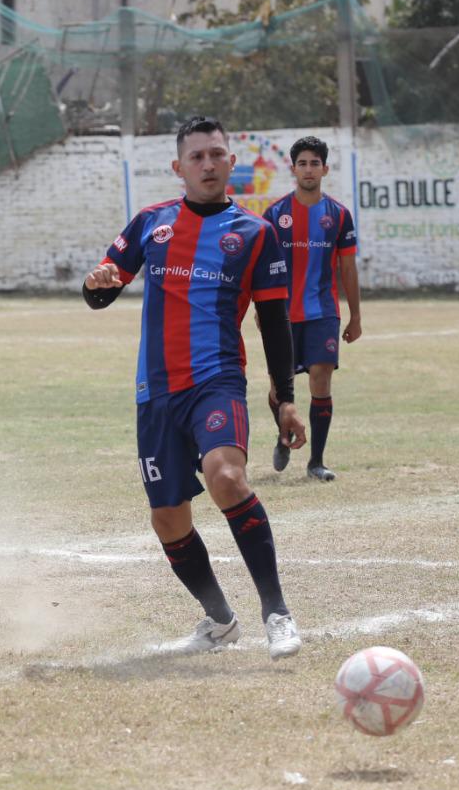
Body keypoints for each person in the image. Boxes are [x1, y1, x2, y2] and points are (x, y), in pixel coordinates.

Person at [83, 115, 306, 660]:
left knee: (227, 476)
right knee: (168, 519)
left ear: (231, 162)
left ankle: (276, 612)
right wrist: (97, 285)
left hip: (217, 381)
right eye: (197, 156)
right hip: (155, 392)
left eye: (217, 154)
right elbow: (102, 289)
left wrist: (286, 397)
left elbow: (274, 323)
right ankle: (220, 620)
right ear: (178, 167)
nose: (207, 164)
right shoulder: (151, 223)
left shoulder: (256, 234)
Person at [261, 135, 361, 482]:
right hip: (282, 315)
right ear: (293, 169)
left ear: (325, 169)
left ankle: (316, 461)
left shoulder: (339, 215)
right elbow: (262, 267)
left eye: (314, 163)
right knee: (278, 387)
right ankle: (283, 435)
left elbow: (347, 268)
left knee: (321, 378)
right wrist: (262, 311)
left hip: (323, 313)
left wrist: (356, 317)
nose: (308, 169)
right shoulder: (275, 214)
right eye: (302, 163)